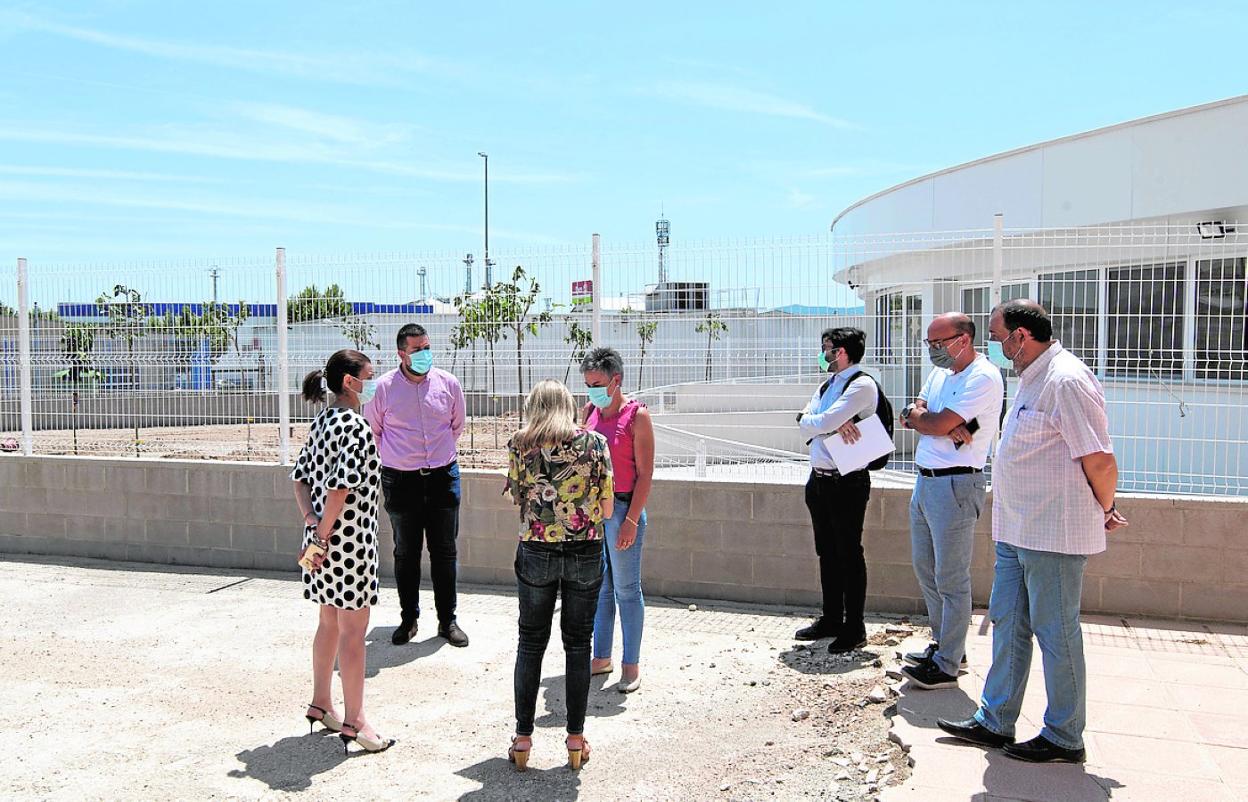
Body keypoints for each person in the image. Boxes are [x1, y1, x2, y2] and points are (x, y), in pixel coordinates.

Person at [938, 300, 1128, 764]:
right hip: (1017, 530)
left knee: (1056, 634)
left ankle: (1064, 735)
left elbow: (1099, 458)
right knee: (1009, 625)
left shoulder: (1066, 379)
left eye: (999, 337)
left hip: (1053, 534)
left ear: (1021, 336)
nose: (996, 347)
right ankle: (995, 719)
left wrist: (1106, 507)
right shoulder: (1031, 379)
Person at [503, 380, 614, 771]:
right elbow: (607, 505)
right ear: (569, 405)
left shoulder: (520, 443)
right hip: (584, 549)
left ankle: (522, 738)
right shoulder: (595, 443)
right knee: (578, 644)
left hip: (536, 548)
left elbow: (517, 495)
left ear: (534, 406)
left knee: (530, 642)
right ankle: (575, 739)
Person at [292, 349, 395, 754]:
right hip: (348, 546)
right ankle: (356, 720)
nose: (373, 382)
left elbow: (299, 480)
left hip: (321, 545)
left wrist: (311, 527)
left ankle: (322, 703)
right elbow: (341, 486)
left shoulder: (321, 423)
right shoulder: (355, 427)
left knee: (328, 624)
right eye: (369, 375)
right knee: (354, 633)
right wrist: (324, 532)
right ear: (350, 382)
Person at [899, 313, 1004, 690]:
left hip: (957, 485)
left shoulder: (984, 376)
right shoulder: (941, 375)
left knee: (951, 577)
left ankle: (946, 665)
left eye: (939, 343)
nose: (933, 350)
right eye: (929, 343)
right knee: (926, 569)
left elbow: (940, 424)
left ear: (964, 339)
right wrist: (924, 418)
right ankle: (947, 647)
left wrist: (933, 422)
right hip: (925, 483)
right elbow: (917, 411)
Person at [365, 323, 469, 647]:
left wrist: (434, 456)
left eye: (426, 347)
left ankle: (447, 621)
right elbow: (374, 432)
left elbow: (457, 425)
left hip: (442, 476)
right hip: (401, 480)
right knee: (405, 553)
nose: (424, 354)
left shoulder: (448, 383)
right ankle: (408, 619)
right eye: (416, 349)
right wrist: (403, 459)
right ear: (401, 353)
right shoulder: (381, 388)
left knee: (444, 552)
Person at [795, 327, 878, 653]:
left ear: (842, 351)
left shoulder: (861, 385)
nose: (823, 354)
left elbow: (823, 420)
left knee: (848, 554)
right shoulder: (828, 384)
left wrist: (821, 420)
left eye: (827, 348)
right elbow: (805, 418)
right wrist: (819, 420)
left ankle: (854, 626)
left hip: (847, 481)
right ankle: (831, 618)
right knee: (826, 552)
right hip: (820, 480)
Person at [582, 347, 655, 694]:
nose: (592, 391)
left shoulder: (637, 416)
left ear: (616, 380)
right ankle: (601, 657)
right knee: (601, 589)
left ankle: (631, 665)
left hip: (624, 510)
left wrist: (632, 521)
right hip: (596, 514)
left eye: (597, 384)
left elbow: (645, 474)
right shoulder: (590, 412)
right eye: (587, 384)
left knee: (627, 590)